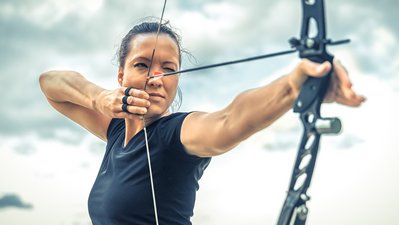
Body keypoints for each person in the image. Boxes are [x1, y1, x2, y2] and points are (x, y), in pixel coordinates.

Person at [39, 21, 365, 225]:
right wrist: (98, 98)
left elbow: (228, 120)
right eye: (142, 64)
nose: (156, 78)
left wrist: (295, 85)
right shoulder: (114, 131)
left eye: (169, 68)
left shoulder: (176, 135)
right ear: (121, 74)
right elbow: (51, 85)